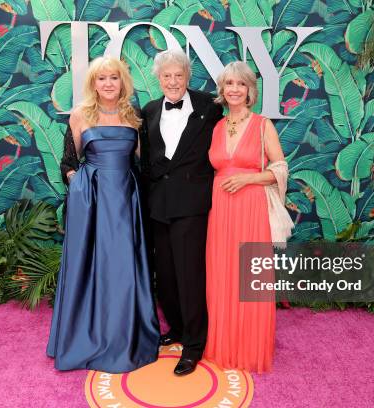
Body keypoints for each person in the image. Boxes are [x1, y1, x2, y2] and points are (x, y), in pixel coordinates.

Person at [47, 56, 159, 372]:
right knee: (91, 265)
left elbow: (145, 162)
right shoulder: (80, 114)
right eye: (102, 78)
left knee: (123, 267)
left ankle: (125, 335)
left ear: (123, 82)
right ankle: (87, 336)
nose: (108, 83)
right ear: (93, 83)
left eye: (114, 77)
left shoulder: (134, 115)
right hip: (93, 201)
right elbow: (69, 162)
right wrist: (80, 184)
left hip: (125, 200)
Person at [139, 49, 223, 376]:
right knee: (167, 277)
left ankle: (193, 345)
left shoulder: (209, 106)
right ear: (158, 79)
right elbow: (145, 160)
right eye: (167, 76)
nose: (173, 82)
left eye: (178, 75)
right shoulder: (148, 111)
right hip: (158, 204)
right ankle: (175, 327)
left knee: (190, 277)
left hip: (192, 204)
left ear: (187, 76)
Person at [205, 61, 287, 373]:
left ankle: (250, 347)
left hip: (251, 209)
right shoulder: (216, 127)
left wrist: (248, 179)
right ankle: (223, 346)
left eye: (241, 84)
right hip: (220, 210)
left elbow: (279, 167)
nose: (235, 90)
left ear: (250, 90)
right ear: (222, 91)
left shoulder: (263, 124)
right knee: (221, 276)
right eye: (229, 84)